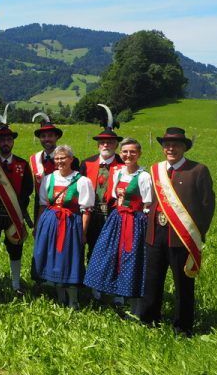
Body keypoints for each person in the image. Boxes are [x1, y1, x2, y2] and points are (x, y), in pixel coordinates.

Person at [138, 127, 215, 336]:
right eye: (167, 145)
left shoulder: (198, 170)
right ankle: (149, 319)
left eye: (176, 145)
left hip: (182, 237)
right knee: (152, 280)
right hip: (155, 234)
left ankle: (183, 326)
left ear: (184, 147)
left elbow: (208, 205)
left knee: (183, 284)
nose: (171, 148)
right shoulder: (156, 170)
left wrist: (197, 234)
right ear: (163, 148)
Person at [84, 138, 152, 312]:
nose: (128, 155)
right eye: (125, 152)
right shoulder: (119, 173)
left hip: (135, 222)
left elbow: (147, 204)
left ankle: (131, 299)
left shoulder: (144, 176)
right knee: (107, 254)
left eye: (133, 152)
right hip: (117, 220)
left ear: (139, 154)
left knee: (131, 258)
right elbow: (115, 195)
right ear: (121, 153)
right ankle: (103, 291)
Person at [32, 145, 95, 308]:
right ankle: (60, 297)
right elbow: (43, 205)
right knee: (53, 258)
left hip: (70, 224)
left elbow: (86, 210)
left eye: (63, 158)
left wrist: (83, 232)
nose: (60, 161)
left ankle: (73, 300)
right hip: (50, 223)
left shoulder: (82, 181)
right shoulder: (48, 179)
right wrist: (39, 226)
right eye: (57, 158)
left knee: (69, 258)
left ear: (71, 159)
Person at [0, 123, 34, 294]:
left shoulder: (22, 164)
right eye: (2, 140)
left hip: (14, 214)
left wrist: (19, 208)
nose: (5, 142)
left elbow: (28, 189)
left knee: (15, 248)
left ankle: (15, 284)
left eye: (8, 139)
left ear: (12, 142)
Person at [79, 108, 124, 271]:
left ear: (116, 144)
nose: (106, 145)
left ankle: (111, 282)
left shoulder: (123, 165)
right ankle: (92, 284)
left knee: (113, 249)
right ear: (98, 145)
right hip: (90, 214)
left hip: (113, 215)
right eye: (103, 142)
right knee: (91, 247)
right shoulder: (86, 163)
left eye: (110, 142)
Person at [29, 113, 79, 227]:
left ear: (56, 137)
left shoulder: (72, 160)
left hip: (65, 210)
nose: (47, 139)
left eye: (50, 135)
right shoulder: (34, 159)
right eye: (43, 136)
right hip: (41, 207)